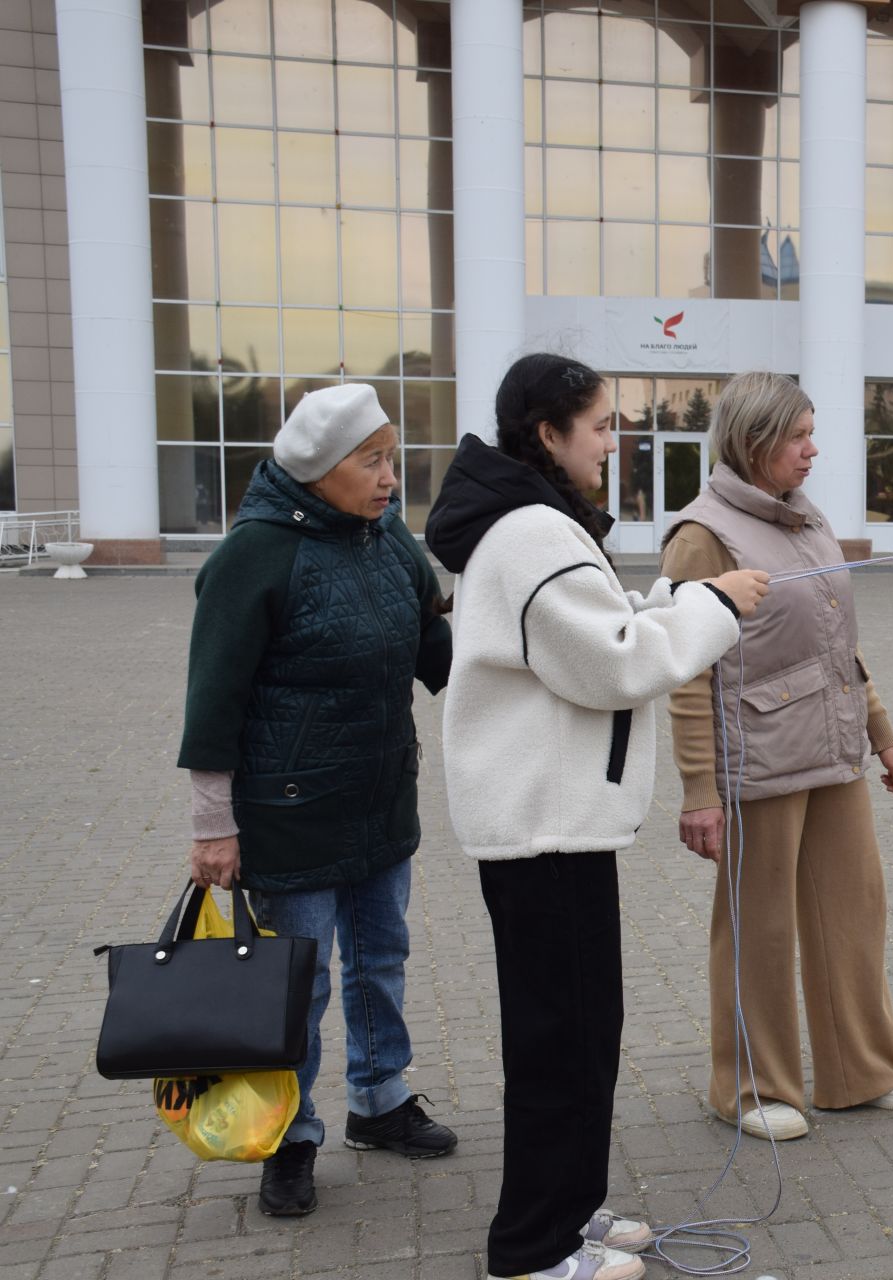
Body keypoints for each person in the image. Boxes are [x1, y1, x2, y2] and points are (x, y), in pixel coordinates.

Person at [426, 353, 767, 1280]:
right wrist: (712, 605)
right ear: (549, 433)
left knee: (583, 1030)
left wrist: (674, 603)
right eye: (605, 425)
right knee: (559, 1041)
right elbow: (610, 663)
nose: (616, 443)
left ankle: (571, 1211)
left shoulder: (533, 526)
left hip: (559, 824)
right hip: (544, 829)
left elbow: (598, 626)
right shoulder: (532, 530)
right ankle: (532, 1248)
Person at [177, 383, 458, 1220]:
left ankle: (379, 1100)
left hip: (380, 803)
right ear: (316, 467)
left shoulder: (391, 546)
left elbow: (443, 658)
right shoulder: (253, 555)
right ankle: (289, 1136)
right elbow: (212, 705)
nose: (389, 478)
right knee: (299, 984)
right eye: (371, 461)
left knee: (381, 960)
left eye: (392, 459)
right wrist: (212, 827)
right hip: (290, 813)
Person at [662, 371, 893, 1143]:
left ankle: (862, 1071)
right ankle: (748, 1088)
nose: (814, 451)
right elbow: (687, 671)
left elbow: (836, 643)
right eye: (799, 436)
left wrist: (884, 734)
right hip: (758, 760)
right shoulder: (702, 534)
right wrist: (697, 791)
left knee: (853, 913)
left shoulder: (807, 521)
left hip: (835, 751)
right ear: (753, 441)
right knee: (760, 928)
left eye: (814, 433)